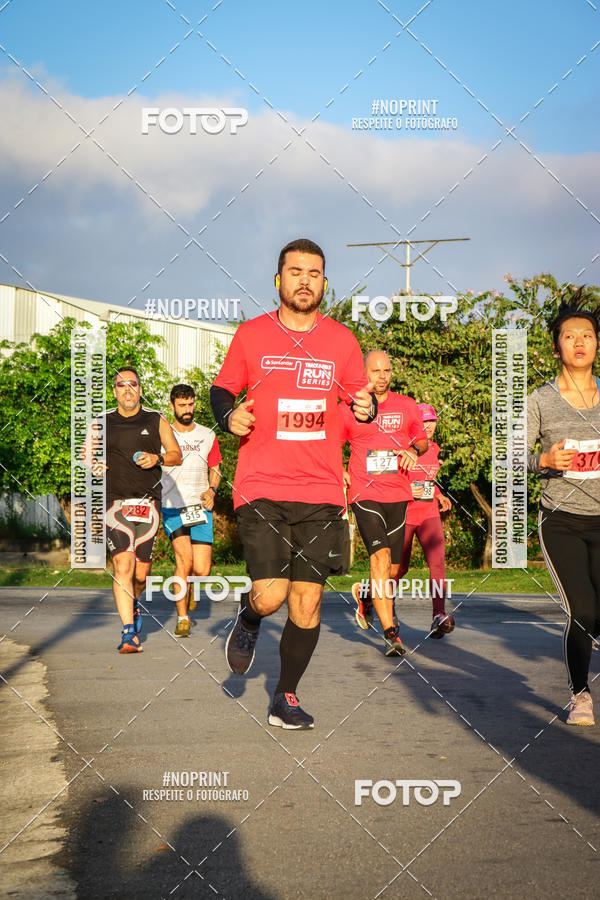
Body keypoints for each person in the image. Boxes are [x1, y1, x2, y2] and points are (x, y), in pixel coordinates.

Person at [210, 238, 376, 729]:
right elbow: (222, 389)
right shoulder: (252, 335)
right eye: (296, 271)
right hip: (262, 485)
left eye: (315, 272)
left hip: (322, 491)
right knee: (272, 595)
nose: (305, 279)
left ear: (325, 283)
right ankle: (250, 613)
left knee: (308, 600)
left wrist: (364, 409)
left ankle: (286, 696)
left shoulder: (342, 341)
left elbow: (357, 403)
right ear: (278, 280)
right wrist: (229, 414)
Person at [528, 293, 600, 726]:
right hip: (562, 521)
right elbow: (511, 456)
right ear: (557, 347)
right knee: (584, 609)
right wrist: (543, 461)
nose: (579, 342)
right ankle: (581, 695)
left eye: (588, 335)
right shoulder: (541, 400)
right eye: (570, 336)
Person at [341, 351, 428, 655]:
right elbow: (328, 444)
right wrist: (337, 470)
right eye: (375, 370)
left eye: (386, 370)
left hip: (398, 494)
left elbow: (421, 438)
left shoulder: (406, 406)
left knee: (394, 569)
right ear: (364, 372)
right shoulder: (350, 407)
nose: (382, 376)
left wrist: (415, 451)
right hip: (365, 494)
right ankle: (391, 633)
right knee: (379, 559)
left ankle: (366, 597)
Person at [90, 367, 182, 652]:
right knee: (122, 564)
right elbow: (85, 454)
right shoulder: (102, 421)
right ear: (114, 390)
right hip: (114, 502)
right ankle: (128, 633)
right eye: (121, 385)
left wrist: (158, 458)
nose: (127, 389)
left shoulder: (156, 420)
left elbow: (177, 455)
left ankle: (134, 604)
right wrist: (91, 465)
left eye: (133, 384)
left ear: (140, 389)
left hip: (148, 505)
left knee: (141, 574)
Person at [161, 384, 222, 637]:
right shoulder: (164, 434)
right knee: (183, 561)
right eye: (182, 405)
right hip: (173, 506)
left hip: (200, 507)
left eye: (191, 404)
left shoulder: (207, 435)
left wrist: (212, 490)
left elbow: (216, 467)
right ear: (173, 406)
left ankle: (192, 589)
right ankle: (183, 618)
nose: (188, 410)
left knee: (203, 569)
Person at [396, 403, 454, 639]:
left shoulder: (435, 449)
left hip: (429, 513)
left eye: (432, 422)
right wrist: (408, 490)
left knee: (437, 564)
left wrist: (439, 495)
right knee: (399, 568)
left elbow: (428, 479)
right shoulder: (404, 450)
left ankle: (438, 616)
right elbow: (389, 484)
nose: (428, 426)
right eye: (423, 422)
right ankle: (373, 599)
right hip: (406, 514)